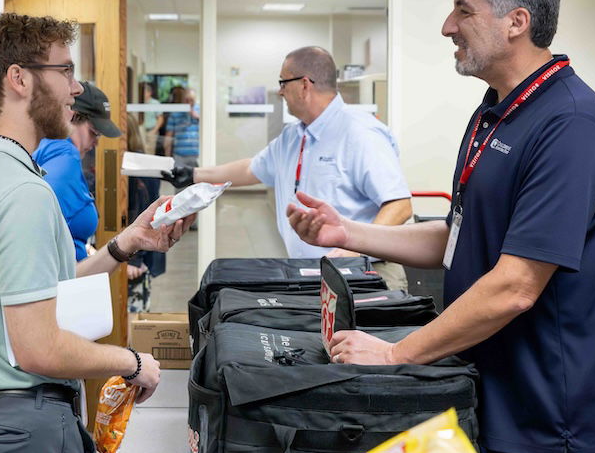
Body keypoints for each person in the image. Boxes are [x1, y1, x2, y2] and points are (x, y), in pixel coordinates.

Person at [286, 0, 595, 453]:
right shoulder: (496, 111)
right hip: (492, 397)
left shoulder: (568, 124)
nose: (448, 26)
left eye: (463, 11)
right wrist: (347, 232)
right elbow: (457, 238)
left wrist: (397, 355)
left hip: (554, 420)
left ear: (517, 21)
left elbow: (517, 286)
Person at [0, 13, 194, 453]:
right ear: (19, 78)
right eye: (66, 71)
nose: (75, 89)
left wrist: (122, 246)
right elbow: (38, 348)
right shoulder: (24, 193)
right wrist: (132, 360)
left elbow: (34, 286)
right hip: (18, 436)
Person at [162, 46, 412, 289]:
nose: (280, 92)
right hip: (316, 275)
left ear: (304, 85)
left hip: (366, 275)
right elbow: (251, 169)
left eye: (283, 82)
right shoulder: (293, 136)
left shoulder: (360, 133)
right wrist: (192, 174)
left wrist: (353, 250)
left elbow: (399, 206)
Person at [32, 81, 120, 261]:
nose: (96, 143)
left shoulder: (48, 147)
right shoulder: (66, 155)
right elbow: (39, 222)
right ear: (73, 116)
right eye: (94, 133)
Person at [126, 112, 166, 311]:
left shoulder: (132, 173)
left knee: (131, 322)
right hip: (141, 253)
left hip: (134, 258)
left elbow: (140, 213)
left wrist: (135, 258)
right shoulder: (146, 165)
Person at [164, 86, 199, 172]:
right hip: (179, 156)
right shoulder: (175, 114)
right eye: (187, 100)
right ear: (183, 100)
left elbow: (211, 128)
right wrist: (167, 159)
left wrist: (196, 116)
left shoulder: (200, 111)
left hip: (197, 156)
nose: (189, 103)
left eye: (192, 100)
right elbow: (168, 137)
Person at [140, 82, 164, 155]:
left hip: (151, 131)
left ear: (149, 93)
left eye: (144, 92)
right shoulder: (139, 102)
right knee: (140, 152)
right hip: (141, 131)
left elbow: (160, 119)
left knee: (149, 153)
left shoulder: (155, 103)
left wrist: (154, 131)